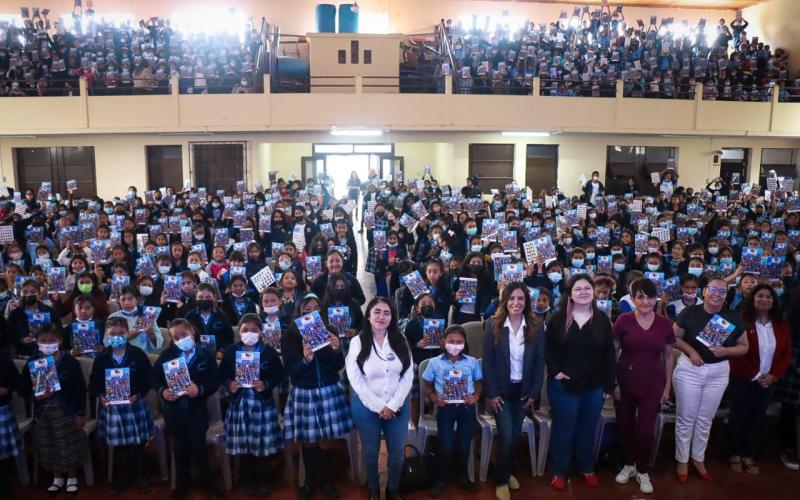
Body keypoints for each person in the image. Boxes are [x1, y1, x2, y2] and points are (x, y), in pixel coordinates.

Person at [672, 276, 749, 482]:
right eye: (713, 289)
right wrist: (691, 352)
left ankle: (698, 458)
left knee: (705, 419)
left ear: (726, 296)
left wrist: (726, 350)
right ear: (704, 291)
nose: (717, 294)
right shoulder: (689, 312)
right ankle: (681, 459)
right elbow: (675, 338)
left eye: (722, 292)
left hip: (718, 371)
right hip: (690, 369)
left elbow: (744, 346)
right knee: (686, 417)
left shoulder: (732, 316)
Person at [544, 275, 615, 491]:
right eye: (578, 289)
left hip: (594, 385)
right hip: (564, 385)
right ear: (570, 294)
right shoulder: (557, 319)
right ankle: (558, 471)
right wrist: (555, 372)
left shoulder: (602, 320)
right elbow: (547, 349)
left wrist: (609, 385)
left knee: (587, 429)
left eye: (587, 288)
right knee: (564, 429)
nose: (583, 292)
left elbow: (609, 354)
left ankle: (586, 467)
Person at [281, 293, 351, 500]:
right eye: (306, 307)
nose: (311, 311)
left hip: (329, 389)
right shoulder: (290, 336)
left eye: (315, 307)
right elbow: (292, 372)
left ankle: (327, 480)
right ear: (299, 310)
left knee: (327, 441)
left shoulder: (328, 331)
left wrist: (337, 350)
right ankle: (308, 482)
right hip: (304, 392)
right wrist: (306, 359)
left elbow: (337, 365)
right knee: (309, 441)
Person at [482, 282, 545, 500]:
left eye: (520, 298)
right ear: (504, 301)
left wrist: (534, 392)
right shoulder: (493, 325)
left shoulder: (536, 325)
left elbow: (539, 363)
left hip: (524, 391)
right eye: (511, 298)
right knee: (507, 436)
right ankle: (501, 480)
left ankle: (507, 473)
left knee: (515, 435)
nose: (516, 303)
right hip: (501, 391)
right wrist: (492, 393)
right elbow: (488, 363)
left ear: (526, 301)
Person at [346, 297, 413, 500]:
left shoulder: (400, 340)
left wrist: (392, 405)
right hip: (366, 406)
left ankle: (393, 489)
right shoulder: (357, 342)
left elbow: (408, 374)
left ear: (392, 317)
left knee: (396, 452)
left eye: (386, 313)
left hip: (397, 406)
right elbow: (355, 379)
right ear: (368, 315)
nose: (381, 316)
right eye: (377, 311)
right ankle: (373, 488)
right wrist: (378, 407)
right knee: (370, 450)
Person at [613, 278, 675, 494]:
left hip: (653, 382)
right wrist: (614, 383)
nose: (646, 301)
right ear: (632, 299)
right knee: (625, 424)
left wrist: (667, 387)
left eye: (649, 296)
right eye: (640, 296)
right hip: (625, 380)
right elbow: (613, 353)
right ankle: (628, 464)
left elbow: (669, 357)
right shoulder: (623, 320)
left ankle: (642, 469)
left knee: (645, 430)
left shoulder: (665, 324)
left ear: (655, 298)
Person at [154, 319, 223, 500]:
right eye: (176, 337)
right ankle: (182, 483)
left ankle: (208, 482)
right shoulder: (167, 355)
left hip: (197, 411)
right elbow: (154, 378)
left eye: (184, 335)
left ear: (192, 332)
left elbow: (215, 382)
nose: (181, 339)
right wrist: (163, 391)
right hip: (174, 412)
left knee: (199, 447)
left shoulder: (205, 355)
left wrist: (199, 390)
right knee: (179, 447)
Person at [728, 284, 791, 475]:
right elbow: (736, 352)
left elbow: (786, 354)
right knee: (739, 416)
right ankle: (734, 453)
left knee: (757, 418)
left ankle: (748, 454)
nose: (764, 299)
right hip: (743, 378)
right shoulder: (742, 320)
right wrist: (755, 375)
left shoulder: (781, 324)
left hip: (768, 381)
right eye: (760, 296)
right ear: (752, 299)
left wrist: (773, 376)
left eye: (769, 296)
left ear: (774, 301)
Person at [219, 314, 285, 495]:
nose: (250, 333)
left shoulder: (269, 352)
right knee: (244, 444)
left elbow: (279, 375)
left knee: (261, 445)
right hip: (238, 405)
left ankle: (264, 478)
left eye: (254, 330)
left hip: (262, 405)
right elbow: (221, 374)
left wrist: (266, 384)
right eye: (245, 330)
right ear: (239, 332)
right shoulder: (231, 352)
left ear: (260, 332)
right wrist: (228, 383)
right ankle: (247, 478)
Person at [20, 323, 88, 496]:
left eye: (52, 340)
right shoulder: (33, 362)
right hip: (43, 411)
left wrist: (80, 413)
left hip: (66, 410)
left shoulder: (70, 362)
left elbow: (80, 389)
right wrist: (35, 395)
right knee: (48, 443)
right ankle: (56, 477)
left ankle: (72, 478)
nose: (48, 343)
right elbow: (22, 387)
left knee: (68, 443)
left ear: (60, 340)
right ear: (37, 342)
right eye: (43, 340)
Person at [88, 318, 154, 494]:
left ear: (128, 334)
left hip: (135, 405)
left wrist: (138, 394)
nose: (116, 337)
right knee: (118, 447)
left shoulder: (138, 354)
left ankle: (141, 477)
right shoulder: (101, 358)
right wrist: (101, 396)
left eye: (121, 333)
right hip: (112, 408)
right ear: (107, 336)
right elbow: (94, 383)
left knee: (138, 444)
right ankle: (120, 479)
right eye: (112, 334)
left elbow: (149, 379)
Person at [422, 324, 482, 497]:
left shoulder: (471, 362)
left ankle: (462, 477)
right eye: (451, 341)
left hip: (466, 408)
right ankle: (441, 479)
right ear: (443, 342)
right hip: (445, 408)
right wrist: (434, 398)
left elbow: (479, 382)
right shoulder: (434, 363)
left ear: (464, 343)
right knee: (446, 444)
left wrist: (476, 396)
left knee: (464, 444)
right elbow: (426, 384)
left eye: (459, 342)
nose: (455, 345)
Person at [0, 350, 22, 499]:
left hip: (1, 409)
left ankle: (3, 490)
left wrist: (6, 388)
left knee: (2, 459)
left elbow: (16, 381)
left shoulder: (3, 356)